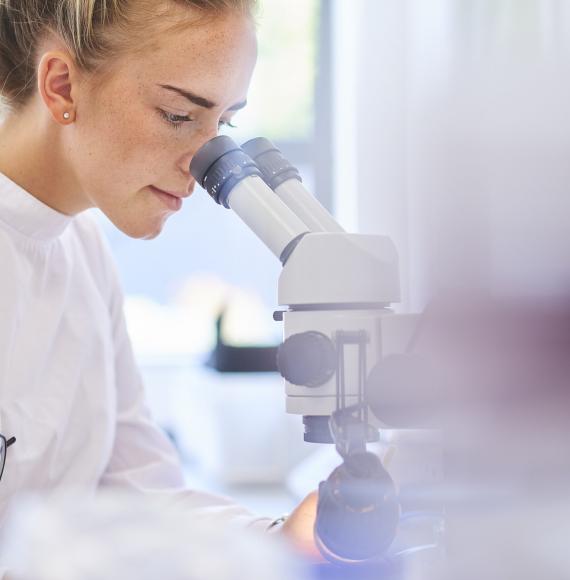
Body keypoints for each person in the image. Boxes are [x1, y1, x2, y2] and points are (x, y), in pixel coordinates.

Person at [0, 0, 318, 572]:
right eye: (178, 114)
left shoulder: (83, 252)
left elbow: (136, 494)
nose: (204, 161)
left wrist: (283, 537)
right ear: (62, 86)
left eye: (222, 124)